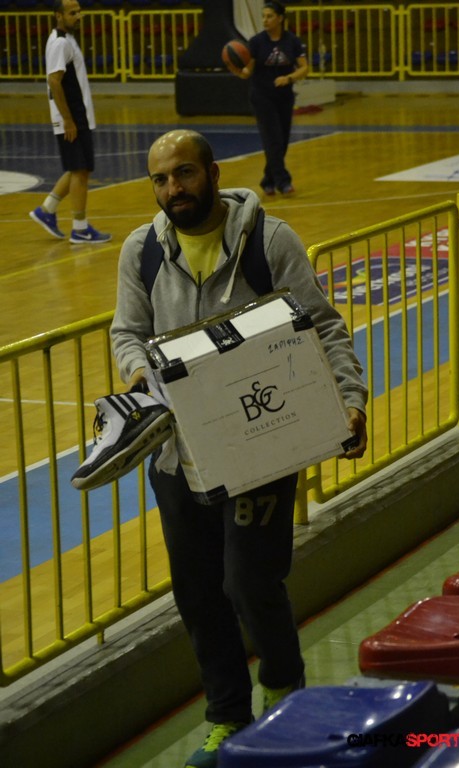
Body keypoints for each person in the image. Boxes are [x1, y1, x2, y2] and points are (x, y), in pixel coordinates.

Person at [110, 129, 368, 768]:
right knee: (198, 593)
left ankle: (283, 690)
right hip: (179, 455)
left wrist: (350, 399)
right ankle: (227, 715)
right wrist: (137, 370)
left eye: (185, 173)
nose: (174, 189)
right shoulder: (141, 250)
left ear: (213, 173)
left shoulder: (269, 241)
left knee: (249, 580)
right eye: (161, 179)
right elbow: (127, 332)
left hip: (261, 445)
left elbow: (322, 324)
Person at [29, 0, 111, 244]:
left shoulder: (66, 39)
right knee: (80, 172)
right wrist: (68, 120)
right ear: (58, 15)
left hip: (77, 116)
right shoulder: (60, 43)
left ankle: (47, 210)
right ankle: (80, 228)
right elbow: (54, 81)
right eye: (72, 13)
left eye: (79, 12)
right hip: (72, 117)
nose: (78, 16)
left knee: (79, 168)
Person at [227, 1, 308, 196]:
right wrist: (236, 70)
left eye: (269, 16)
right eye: (263, 16)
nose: (265, 20)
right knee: (274, 140)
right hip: (262, 96)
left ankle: (268, 180)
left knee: (283, 141)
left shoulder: (292, 41)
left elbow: (305, 68)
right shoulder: (256, 42)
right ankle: (283, 182)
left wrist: (289, 78)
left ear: (280, 18)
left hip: (285, 96)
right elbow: (248, 72)